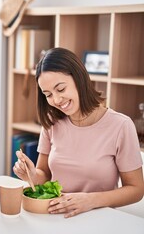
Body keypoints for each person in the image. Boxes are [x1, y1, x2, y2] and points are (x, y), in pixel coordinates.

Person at [13, 47, 144, 218]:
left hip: (99, 219)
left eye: (60, 89)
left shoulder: (121, 126)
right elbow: (44, 175)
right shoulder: (51, 122)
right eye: (48, 94)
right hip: (55, 216)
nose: (57, 100)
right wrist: (31, 175)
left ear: (79, 78)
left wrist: (90, 201)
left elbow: (136, 190)